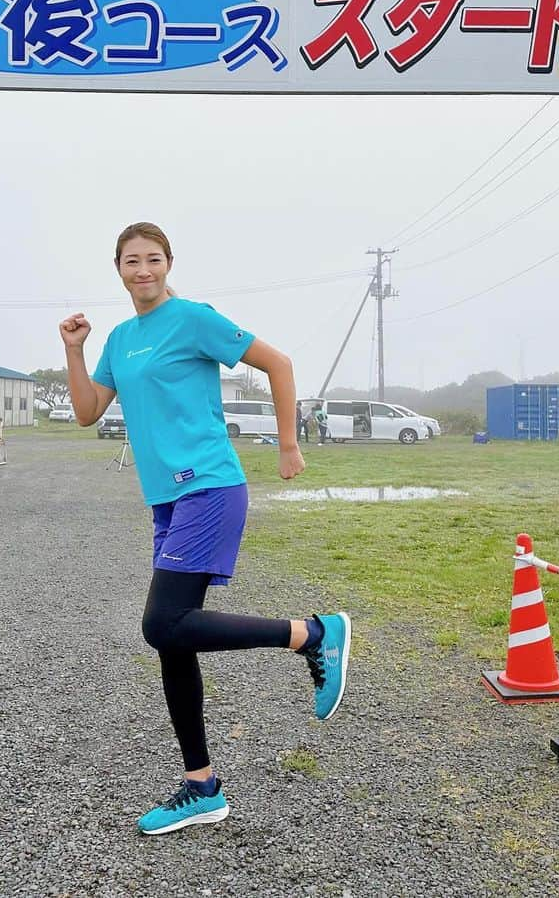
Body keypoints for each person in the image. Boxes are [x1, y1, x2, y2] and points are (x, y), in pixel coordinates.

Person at [60, 222, 351, 836]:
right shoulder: (121, 337)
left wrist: (289, 443)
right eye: (131, 261)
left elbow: (278, 363)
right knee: (174, 639)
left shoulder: (192, 318)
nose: (143, 270)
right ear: (118, 269)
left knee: (161, 622)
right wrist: (75, 350)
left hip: (210, 485)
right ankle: (202, 786)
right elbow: (87, 413)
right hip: (167, 498)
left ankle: (313, 634)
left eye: (154, 259)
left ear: (169, 263)